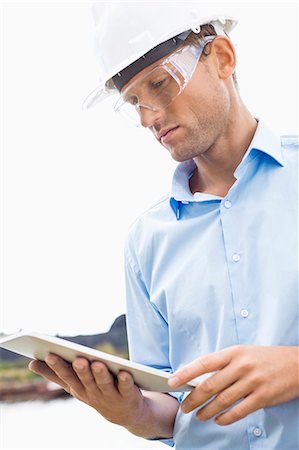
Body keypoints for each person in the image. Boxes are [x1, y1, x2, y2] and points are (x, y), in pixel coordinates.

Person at [29, 3, 299, 449]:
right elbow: (171, 406)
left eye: (160, 83)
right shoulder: (145, 242)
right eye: (134, 101)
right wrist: (135, 414)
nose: (148, 117)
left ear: (224, 58)